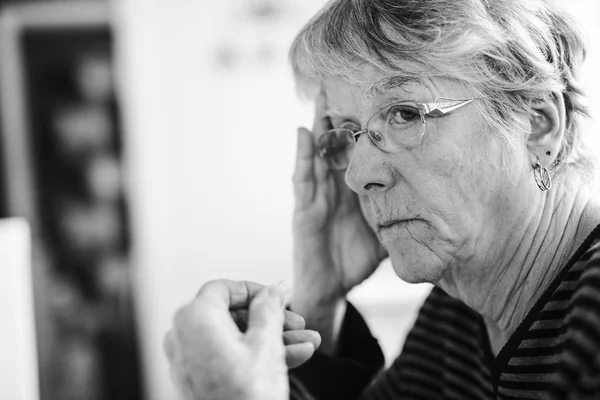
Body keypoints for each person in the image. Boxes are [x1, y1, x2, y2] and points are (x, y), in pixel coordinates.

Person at [164, 0, 600, 399]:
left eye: (405, 113)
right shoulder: (456, 314)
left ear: (538, 125)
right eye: (349, 130)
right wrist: (319, 300)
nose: (356, 176)